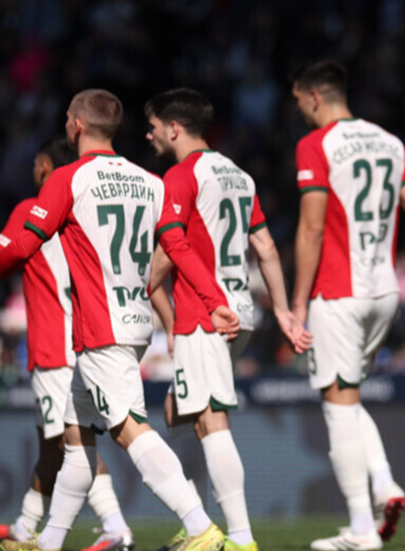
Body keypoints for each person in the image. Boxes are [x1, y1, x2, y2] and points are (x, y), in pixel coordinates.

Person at [0, 89, 240, 551]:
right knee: (77, 442)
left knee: (130, 429)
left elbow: (24, 245)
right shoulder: (151, 182)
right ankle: (47, 543)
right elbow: (177, 246)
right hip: (132, 321)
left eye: (67, 118)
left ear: (76, 126)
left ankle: (200, 528)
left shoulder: (68, 178)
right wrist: (214, 300)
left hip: (100, 328)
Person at [143, 87, 313, 551]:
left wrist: (143, 287)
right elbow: (267, 247)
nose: (149, 135)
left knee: (209, 419)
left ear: (173, 128)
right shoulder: (238, 174)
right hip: (241, 310)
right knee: (178, 411)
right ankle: (197, 523)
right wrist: (281, 310)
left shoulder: (182, 174)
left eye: (153, 127)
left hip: (206, 312)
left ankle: (239, 537)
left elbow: (171, 245)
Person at [291, 60, 405, 551]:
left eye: (299, 101)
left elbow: (312, 227)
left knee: (336, 406)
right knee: (349, 396)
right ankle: (383, 482)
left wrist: (297, 301)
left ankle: (361, 529)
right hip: (383, 292)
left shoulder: (316, 144)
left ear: (314, 96)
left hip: (338, 292)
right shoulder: (390, 142)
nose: (300, 110)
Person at [0, 139, 134, 551]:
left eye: (36, 165)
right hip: (88, 339)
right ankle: (25, 527)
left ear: (44, 167)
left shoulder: (31, 210)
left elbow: (4, 257)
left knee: (72, 443)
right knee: (52, 442)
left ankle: (115, 527)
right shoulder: (84, 209)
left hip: (54, 349)